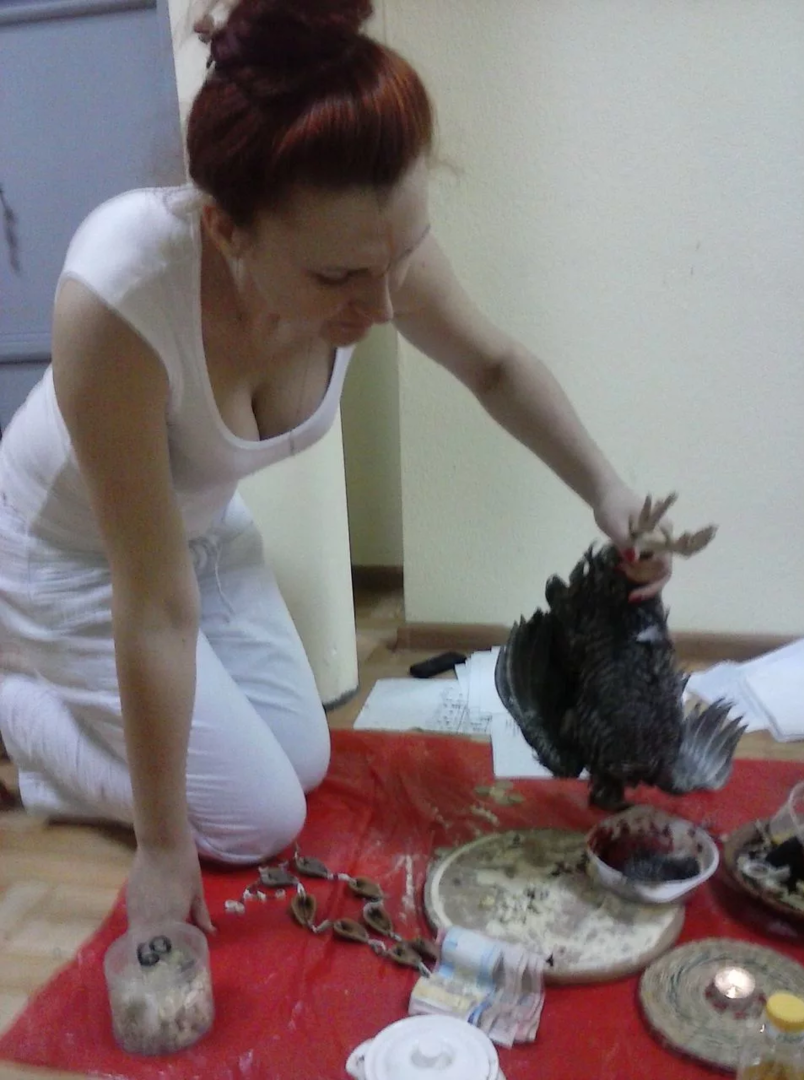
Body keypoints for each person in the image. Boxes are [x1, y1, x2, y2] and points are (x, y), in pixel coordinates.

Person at [0, 0, 670, 936]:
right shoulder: (119, 301)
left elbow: (494, 365)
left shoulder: (367, 245)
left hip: (202, 532)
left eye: (401, 257)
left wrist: (610, 491)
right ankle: (21, 718)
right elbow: (151, 605)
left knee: (304, 760)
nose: (384, 305)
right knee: (255, 820)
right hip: (74, 562)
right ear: (228, 231)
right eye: (338, 281)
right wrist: (161, 845)